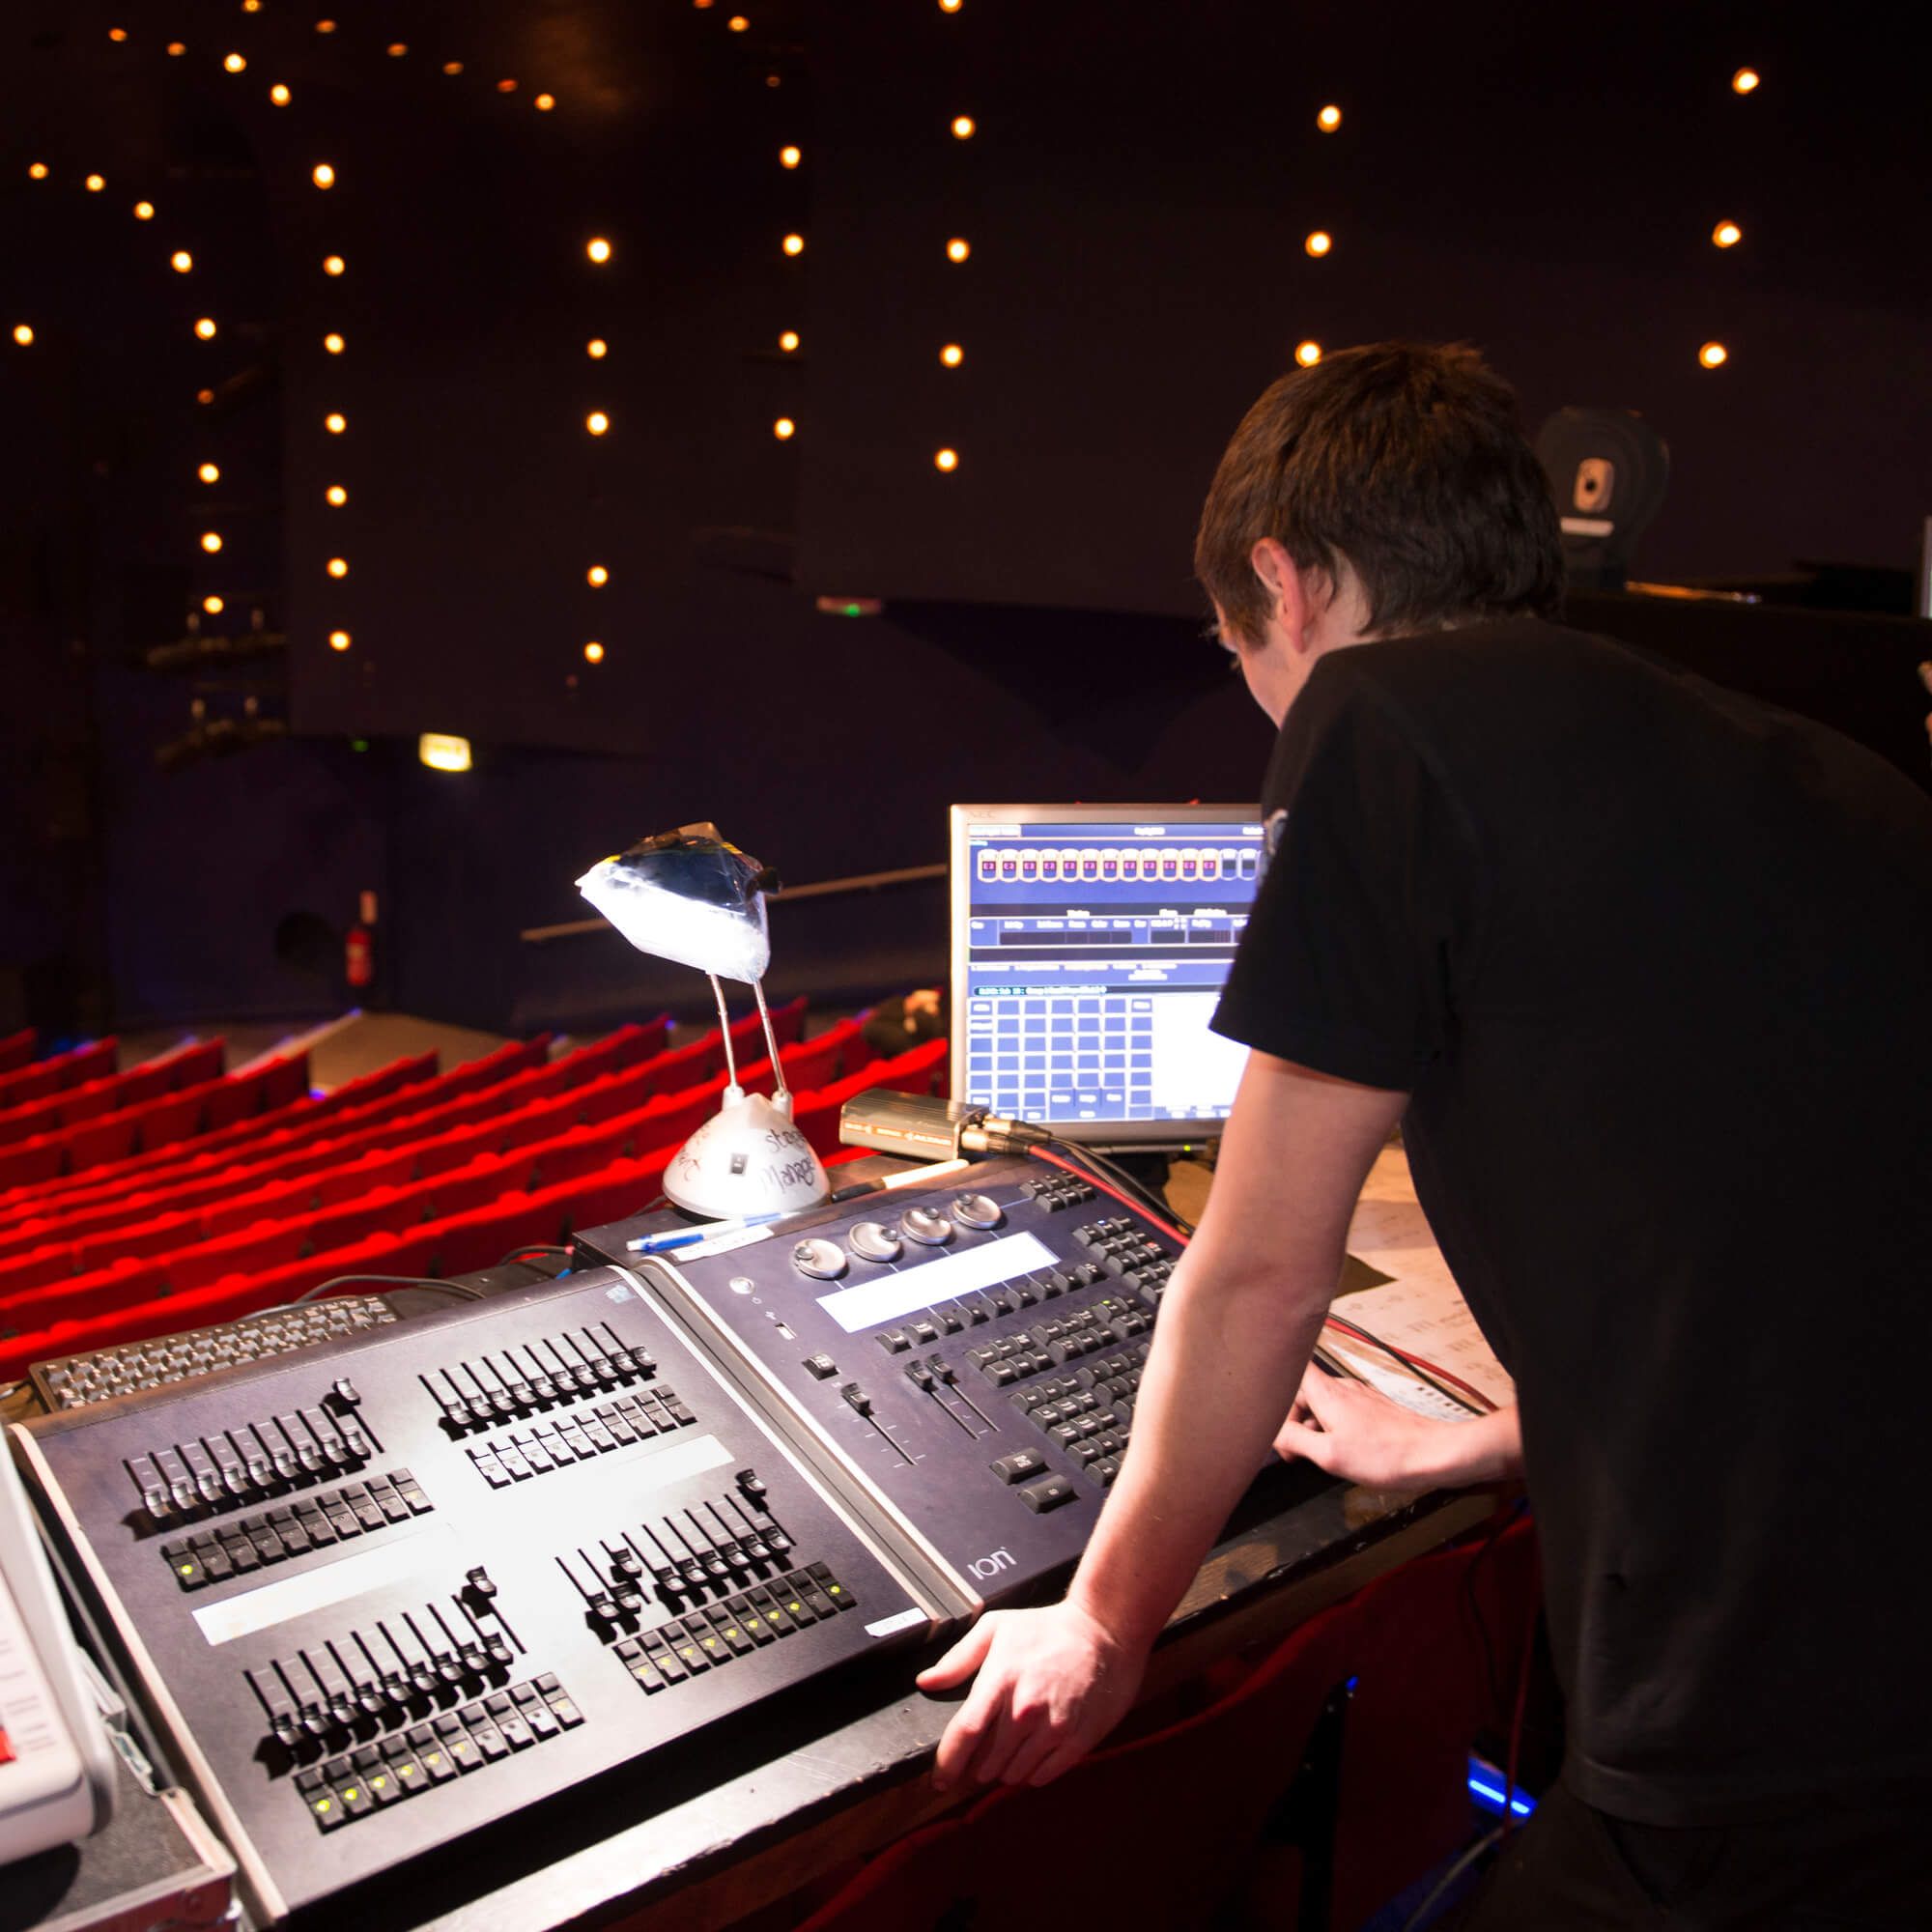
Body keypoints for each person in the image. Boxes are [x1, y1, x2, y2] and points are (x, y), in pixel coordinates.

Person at [915, 343, 1932, 1926]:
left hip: (1759, 1751)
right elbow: (1783, 1233)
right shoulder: (1817, 768)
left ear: (1284, 582)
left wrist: (1102, 1630)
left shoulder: (1378, 718)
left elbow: (1260, 1276)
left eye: (1235, 640)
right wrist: (1502, 1437)